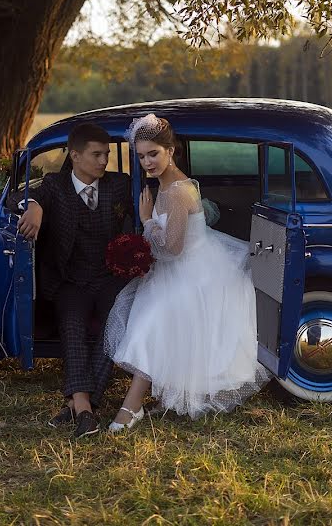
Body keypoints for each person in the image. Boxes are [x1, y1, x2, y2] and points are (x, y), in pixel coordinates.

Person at [104, 114, 270, 431]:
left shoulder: (177, 192)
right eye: (141, 156)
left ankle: (130, 409)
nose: (147, 162)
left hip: (195, 272)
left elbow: (174, 248)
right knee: (148, 323)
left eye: (153, 153)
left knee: (152, 324)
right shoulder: (165, 185)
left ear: (171, 150)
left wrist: (146, 220)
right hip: (177, 269)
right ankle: (134, 406)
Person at [16, 122, 133, 438]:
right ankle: (84, 409)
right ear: (75, 156)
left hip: (109, 278)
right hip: (70, 280)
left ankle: (80, 408)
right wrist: (36, 208)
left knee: (115, 326)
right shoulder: (55, 186)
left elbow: (148, 196)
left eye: (106, 154)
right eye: (96, 155)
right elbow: (31, 196)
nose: (103, 161)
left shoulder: (118, 185)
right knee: (71, 324)